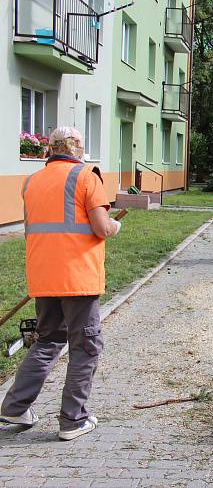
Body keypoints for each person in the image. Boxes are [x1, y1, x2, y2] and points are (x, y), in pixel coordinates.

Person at [0, 126, 121, 441]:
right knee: (86, 346)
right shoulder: (86, 177)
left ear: (49, 149)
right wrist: (114, 226)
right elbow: (100, 227)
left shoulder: (32, 182)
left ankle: (15, 406)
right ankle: (73, 419)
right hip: (77, 277)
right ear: (77, 148)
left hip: (43, 275)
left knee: (48, 341)